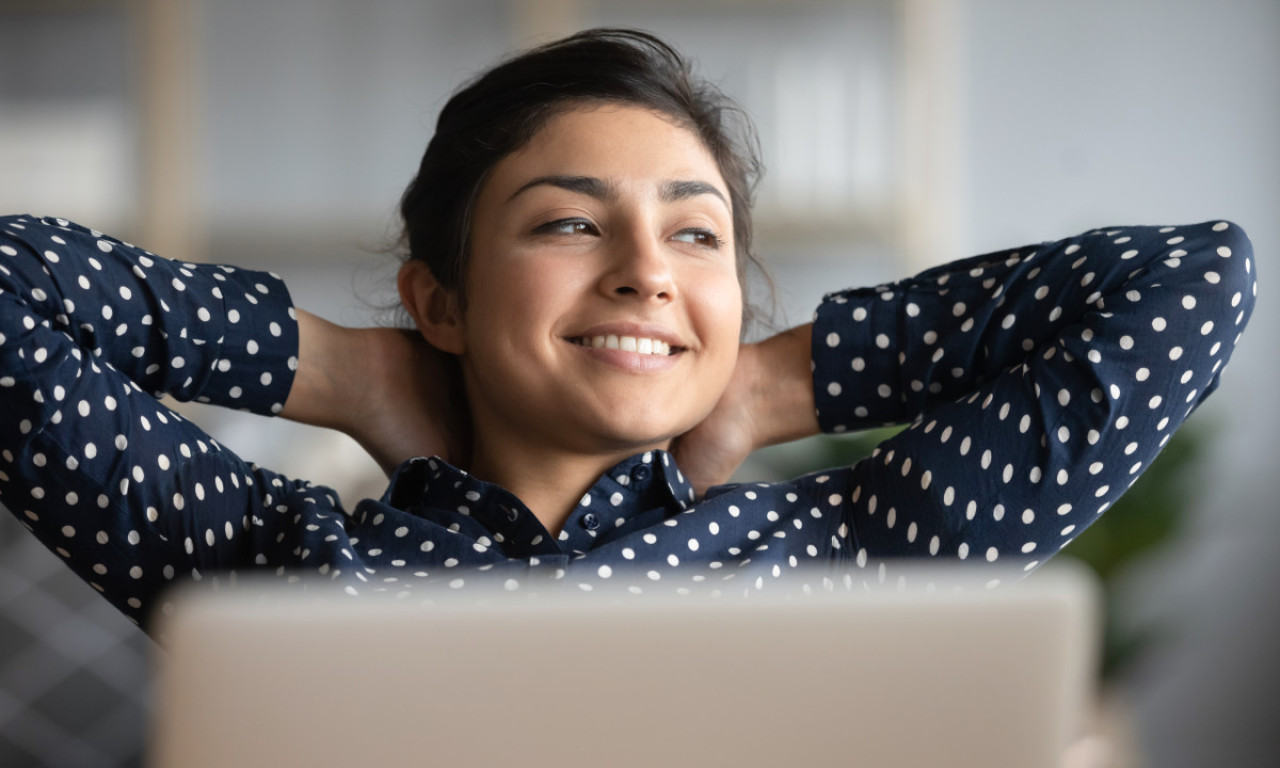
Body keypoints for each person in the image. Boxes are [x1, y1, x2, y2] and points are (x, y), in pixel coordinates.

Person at [0, 29, 1257, 632]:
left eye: (697, 235)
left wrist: (767, 387)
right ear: (438, 299)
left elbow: (1190, 282)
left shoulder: (856, 548)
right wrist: (338, 369)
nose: (647, 272)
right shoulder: (272, 561)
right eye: (567, 225)